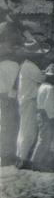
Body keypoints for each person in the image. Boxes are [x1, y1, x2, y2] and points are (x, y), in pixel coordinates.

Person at [31, 62, 54, 170]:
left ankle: (38, 161)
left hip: (42, 114)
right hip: (46, 115)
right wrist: (52, 119)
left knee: (43, 138)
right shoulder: (50, 88)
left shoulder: (43, 86)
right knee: (44, 139)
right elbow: (49, 106)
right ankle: (36, 162)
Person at [0, 34, 22, 166]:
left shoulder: (1, 66)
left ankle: (4, 155)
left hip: (2, 96)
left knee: (4, 126)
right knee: (14, 126)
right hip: (13, 97)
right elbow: (17, 84)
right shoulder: (16, 65)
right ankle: (11, 153)